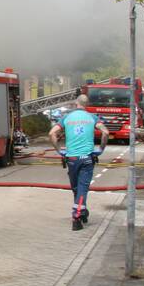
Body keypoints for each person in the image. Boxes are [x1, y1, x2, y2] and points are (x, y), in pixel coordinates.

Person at [49, 94, 110, 231]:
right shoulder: (92, 117)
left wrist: (59, 150)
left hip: (71, 159)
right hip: (87, 159)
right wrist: (101, 148)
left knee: (76, 188)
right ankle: (76, 216)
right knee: (82, 188)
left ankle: (82, 211)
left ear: (76, 103)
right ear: (86, 104)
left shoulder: (66, 118)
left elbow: (52, 133)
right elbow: (105, 132)